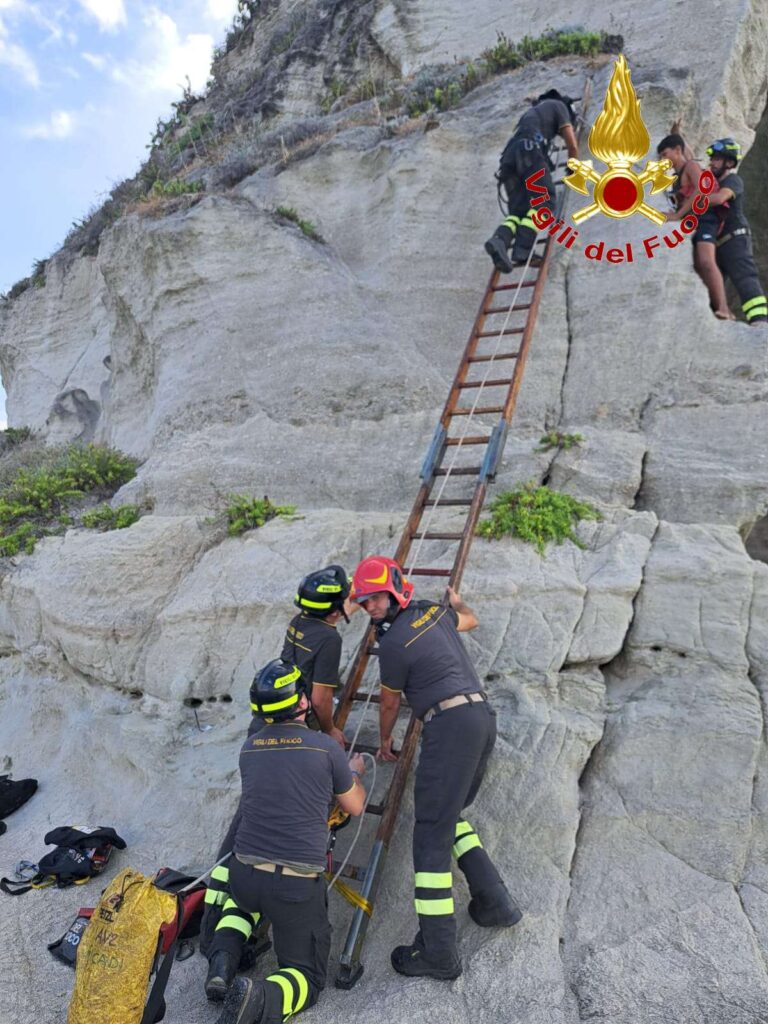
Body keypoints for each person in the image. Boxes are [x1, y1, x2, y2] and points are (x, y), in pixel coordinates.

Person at [351, 555, 521, 981]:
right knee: (450, 819)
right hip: (481, 719)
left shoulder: (391, 646)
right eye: (365, 601)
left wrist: (385, 739)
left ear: (394, 591)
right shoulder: (433, 610)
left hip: (448, 728)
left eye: (375, 599)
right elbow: (471, 620)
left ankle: (439, 950)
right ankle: (495, 902)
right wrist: (459, 603)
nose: (370, 607)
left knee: (429, 835)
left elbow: (390, 702)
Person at [201, 566, 355, 962]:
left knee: (247, 819)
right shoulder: (330, 639)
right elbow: (320, 698)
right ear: (336, 609)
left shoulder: (298, 622)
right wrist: (329, 733)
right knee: (300, 803)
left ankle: (213, 925)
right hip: (292, 723)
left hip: (263, 727)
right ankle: (237, 913)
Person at [205, 658, 367, 1024]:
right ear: (303, 702)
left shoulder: (249, 748)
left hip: (244, 874)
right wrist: (354, 772)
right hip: (293, 886)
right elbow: (354, 806)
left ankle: (222, 962)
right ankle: (258, 997)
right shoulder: (325, 748)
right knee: (306, 975)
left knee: (241, 907)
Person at [485, 88, 579, 274]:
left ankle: (500, 239)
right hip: (529, 153)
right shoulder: (560, 106)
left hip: (509, 159)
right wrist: (573, 166)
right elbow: (572, 144)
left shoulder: (532, 114)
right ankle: (522, 250)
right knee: (545, 202)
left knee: (518, 212)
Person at [657, 133, 733, 320]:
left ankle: (724, 308)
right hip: (697, 219)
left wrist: (677, 215)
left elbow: (701, 189)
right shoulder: (678, 175)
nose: (662, 160)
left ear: (677, 151)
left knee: (707, 261)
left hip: (707, 216)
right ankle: (715, 307)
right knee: (699, 264)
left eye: (665, 154)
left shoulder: (690, 166)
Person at [703, 138, 767, 325]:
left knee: (744, 277)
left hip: (735, 238)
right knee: (711, 285)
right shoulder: (712, 184)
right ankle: (714, 321)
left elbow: (720, 198)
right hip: (718, 245)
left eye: (717, 159)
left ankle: (760, 320)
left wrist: (696, 200)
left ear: (729, 163)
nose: (712, 162)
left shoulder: (733, 180)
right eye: (712, 159)